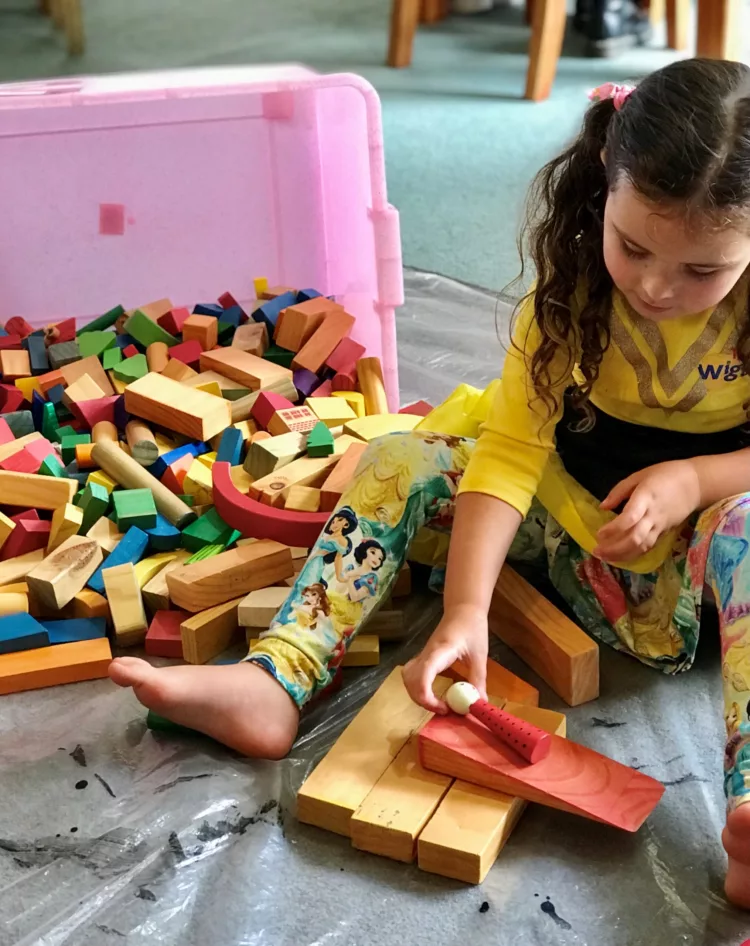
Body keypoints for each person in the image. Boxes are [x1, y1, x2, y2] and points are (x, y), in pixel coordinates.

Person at [110, 58, 750, 907]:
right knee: (401, 458)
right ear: (606, 176)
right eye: (632, 246)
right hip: (571, 539)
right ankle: (278, 676)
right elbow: (511, 451)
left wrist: (697, 478)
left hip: (697, 579)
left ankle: (747, 807)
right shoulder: (569, 298)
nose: (657, 286)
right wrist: (465, 610)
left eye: (703, 271)